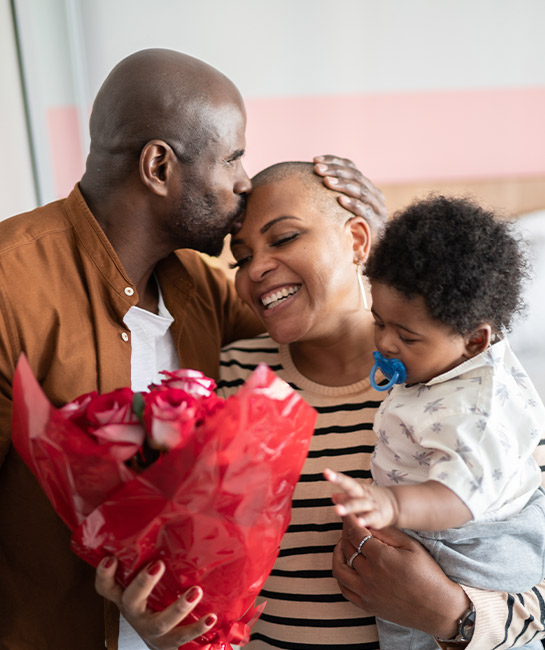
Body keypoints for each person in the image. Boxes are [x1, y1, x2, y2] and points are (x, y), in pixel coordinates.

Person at [0, 48, 376, 650]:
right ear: (158, 166)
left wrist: (372, 241)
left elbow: (321, 310)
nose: (244, 182)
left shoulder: (205, 291)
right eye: (233, 157)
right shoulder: (9, 282)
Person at [218, 163, 545, 650]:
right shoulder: (230, 378)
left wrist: (450, 613)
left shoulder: (464, 386)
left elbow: (530, 581)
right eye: (240, 258)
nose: (256, 268)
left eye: (283, 238)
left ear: (356, 240)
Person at [325, 195, 545, 650]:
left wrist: (391, 506)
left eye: (406, 336)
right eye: (378, 321)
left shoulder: (475, 414)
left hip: (471, 548)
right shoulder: (444, 366)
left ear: (474, 341)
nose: (385, 342)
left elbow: (459, 498)